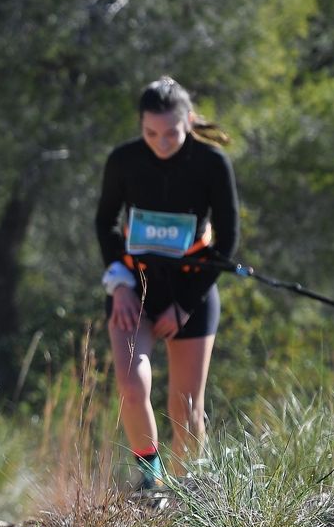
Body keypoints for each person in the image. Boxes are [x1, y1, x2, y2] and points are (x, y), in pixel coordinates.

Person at [95, 76, 239, 489]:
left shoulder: (212, 163)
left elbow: (228, 242)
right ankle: (150, 481)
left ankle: (192, 495)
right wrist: (118, 283)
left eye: (171, 132)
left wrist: (185, 305)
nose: (161, 141)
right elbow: (104, 223)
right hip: (134, 288)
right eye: (150, 132)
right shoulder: (124, 161)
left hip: (190, 291)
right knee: (130, 384)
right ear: (140, 125)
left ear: (189, 121)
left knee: (187, 407)